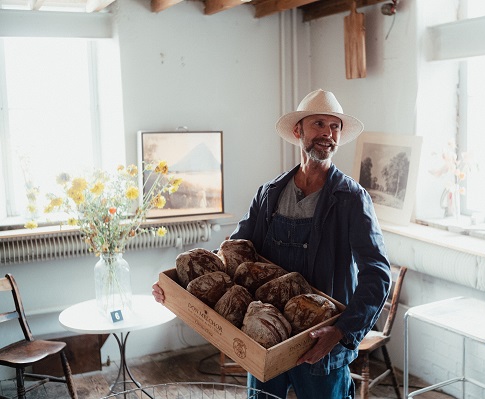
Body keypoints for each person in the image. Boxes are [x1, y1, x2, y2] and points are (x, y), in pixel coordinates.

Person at [152, 89, 391, 399]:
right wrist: (177, 286)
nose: (328, 134)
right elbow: (234, 252)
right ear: (298, 131)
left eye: (335, 127)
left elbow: (377, 273)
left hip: (319, 342)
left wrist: (341, 331)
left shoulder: (351, 199)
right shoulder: (270, 193)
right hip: (264, 335)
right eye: (319, 124)